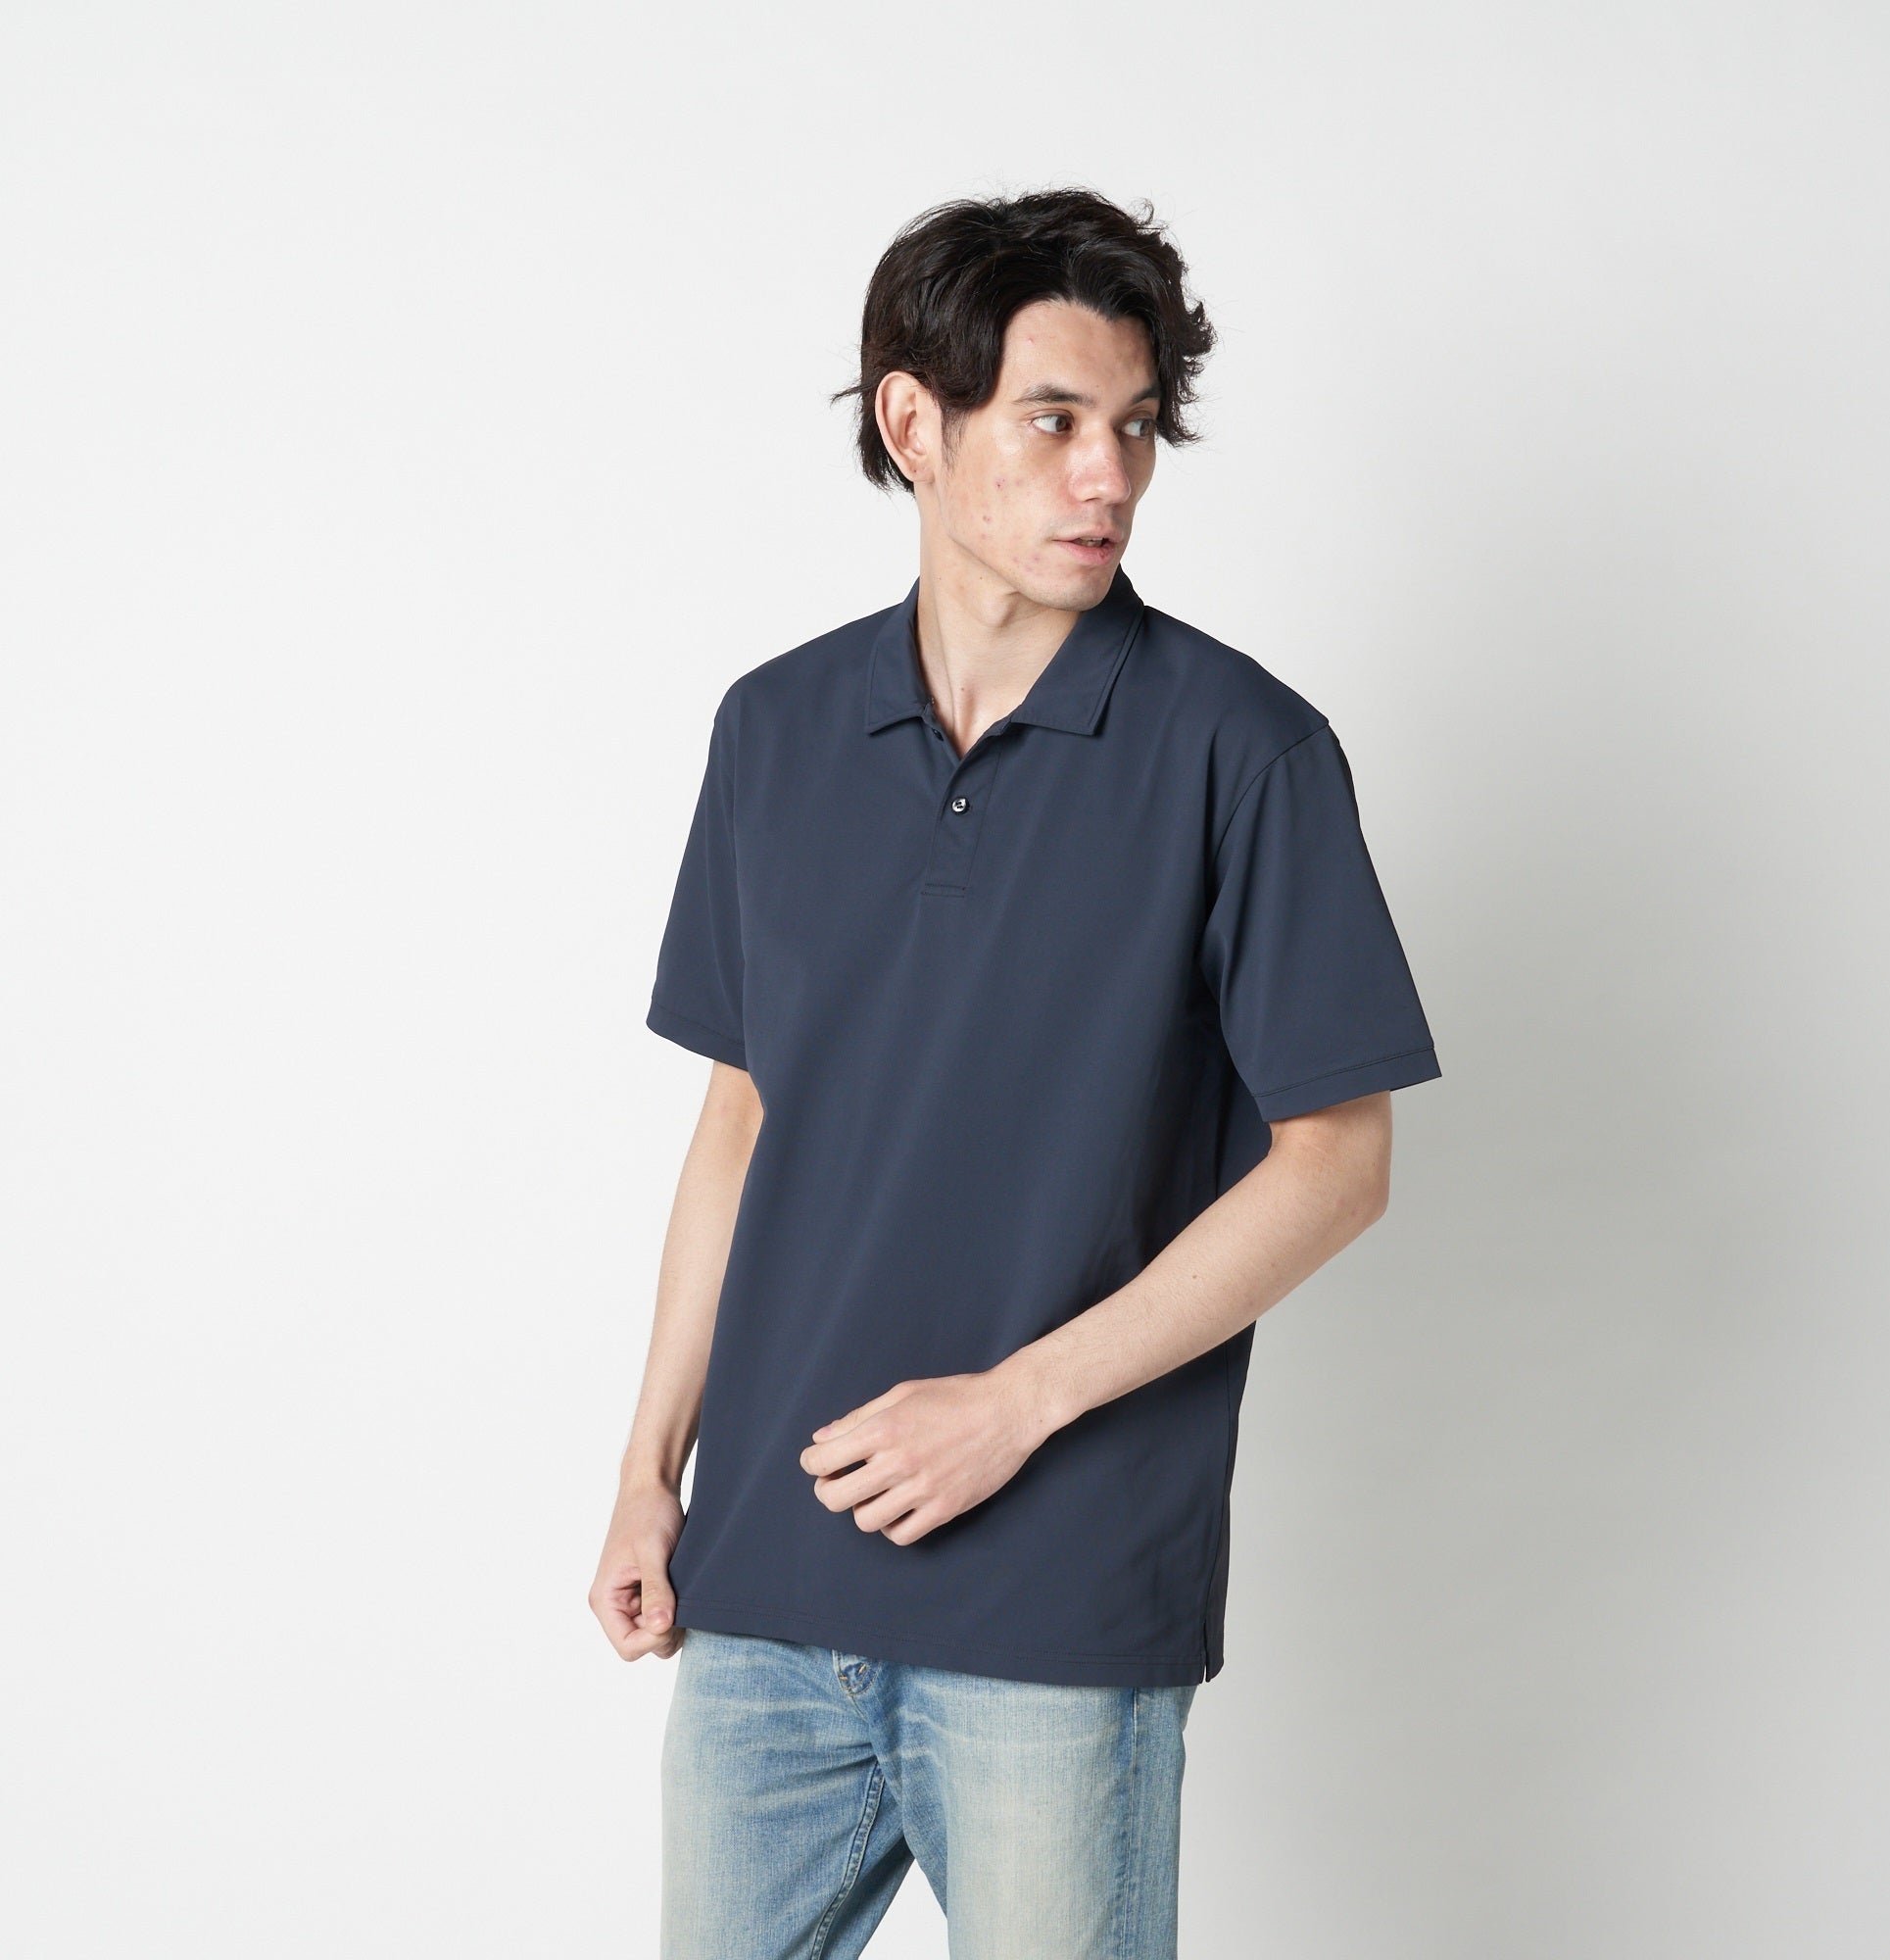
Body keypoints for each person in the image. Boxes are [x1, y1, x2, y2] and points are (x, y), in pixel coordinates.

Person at [589, 185, 1442, 1959]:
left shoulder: (1245, 752)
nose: (1106, 477)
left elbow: (1337, 1163)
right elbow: (742, 1119)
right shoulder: (775, 730)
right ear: (916, 424)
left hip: (1056, 1613)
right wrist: (650, 1469)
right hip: (763, 1591)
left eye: (1134, 428)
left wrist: (1015, 1406)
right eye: (1054, 421)